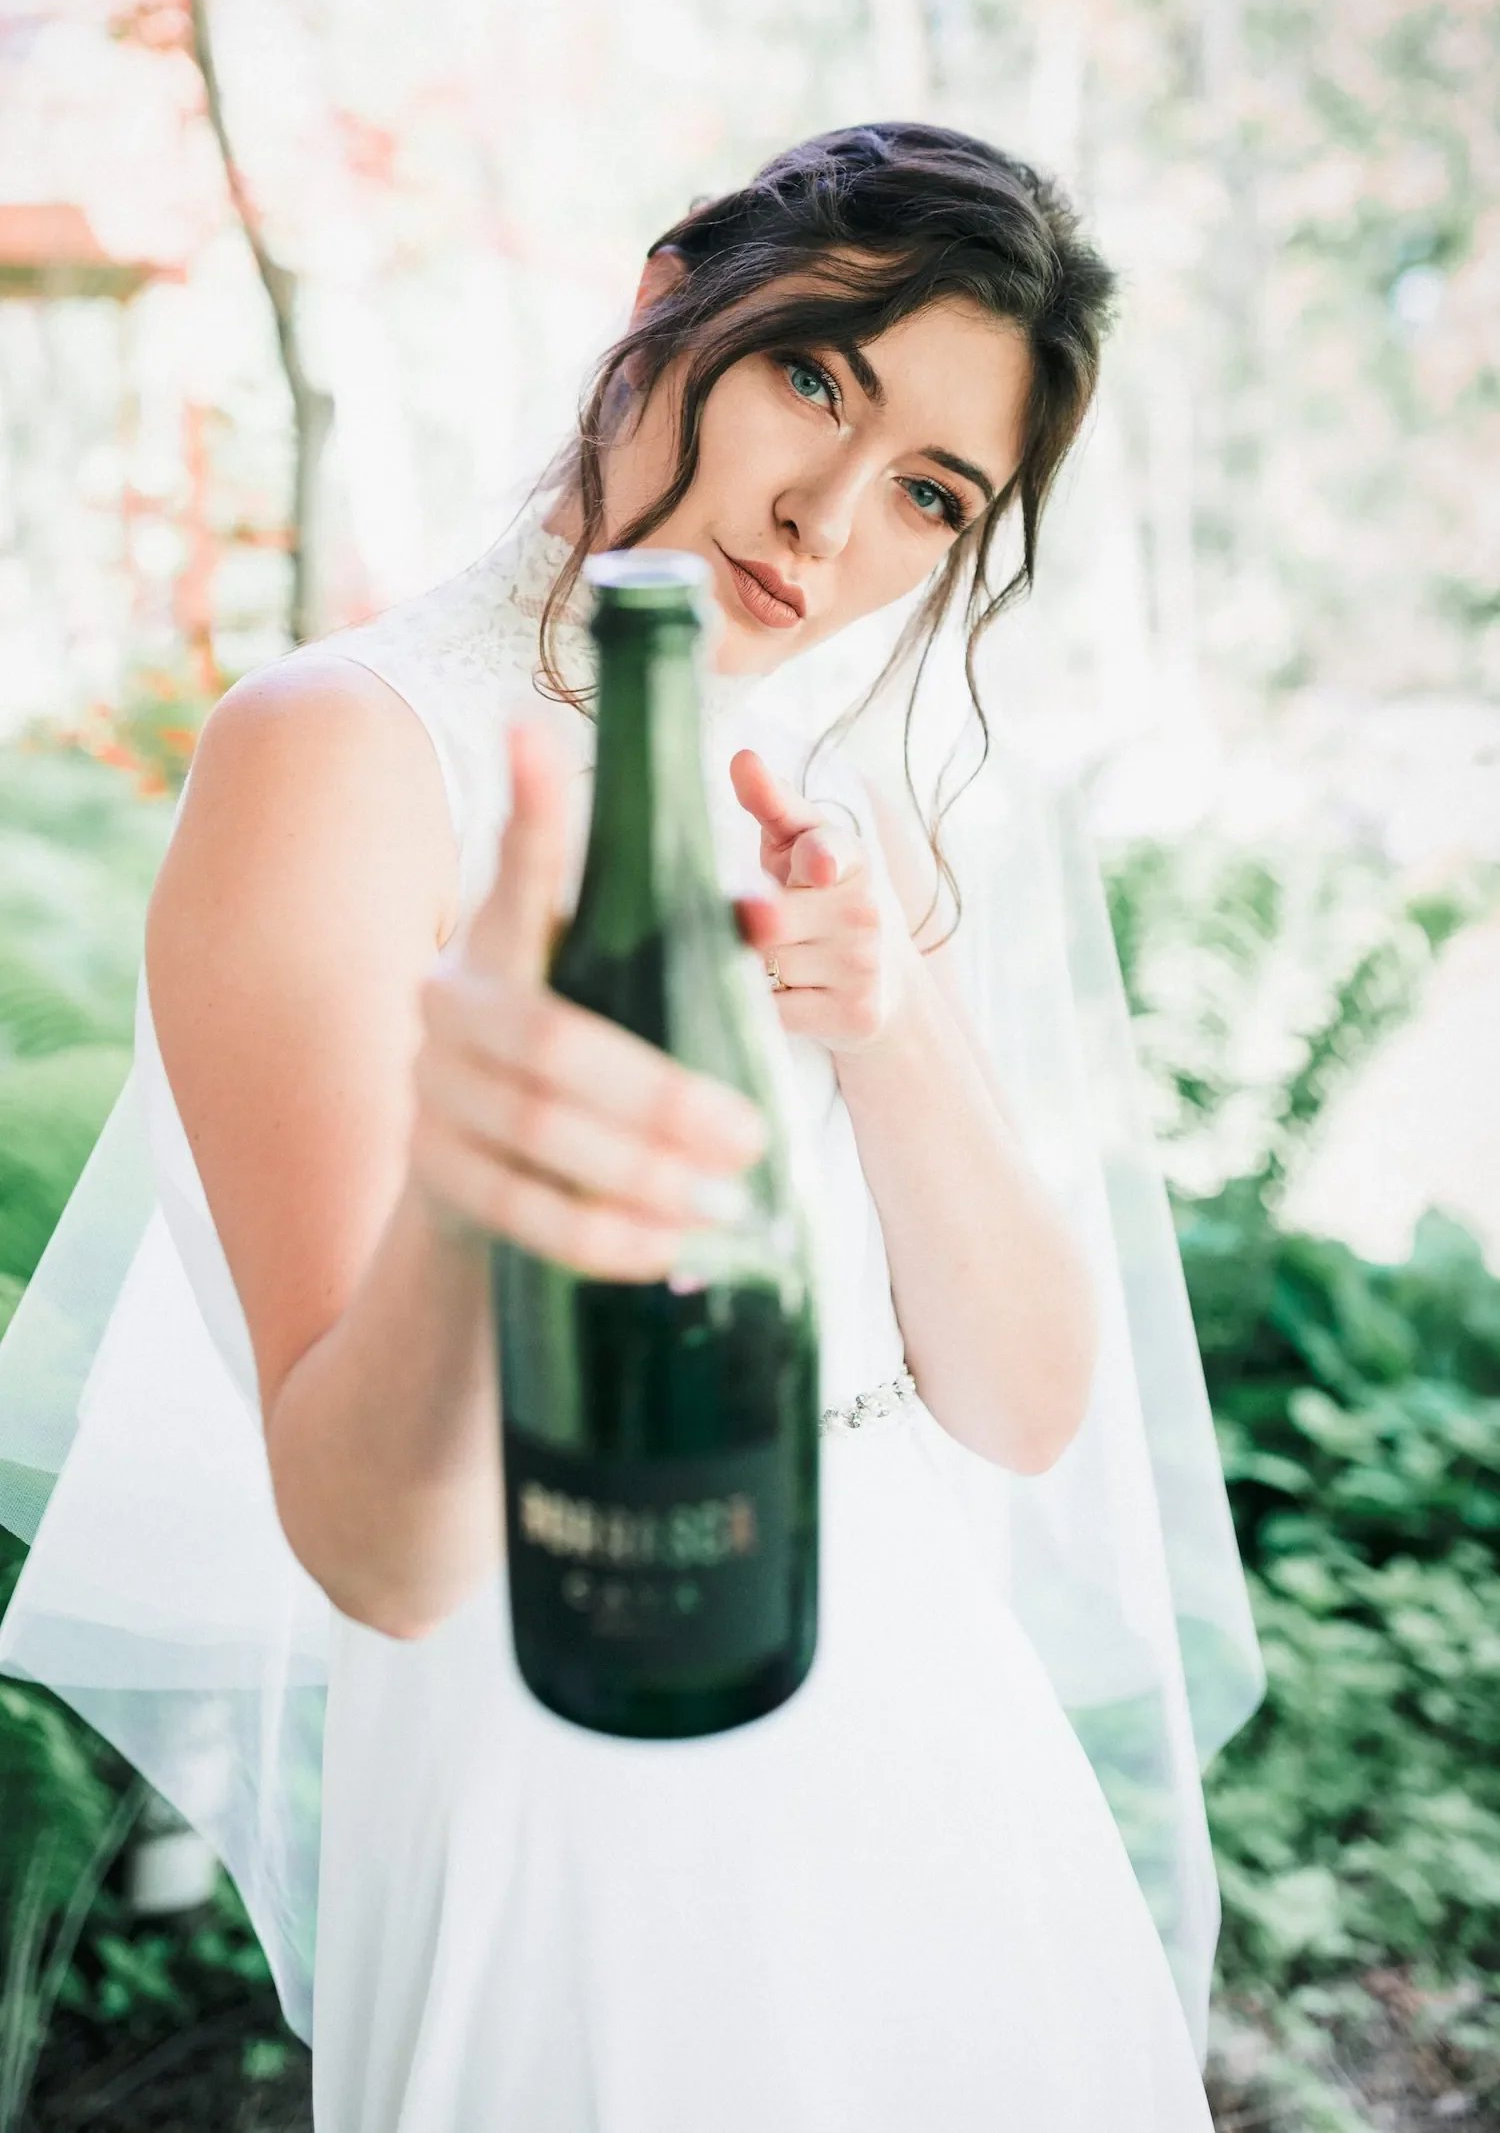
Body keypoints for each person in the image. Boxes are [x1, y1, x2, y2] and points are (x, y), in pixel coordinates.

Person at [0, 122, 1264, 2129]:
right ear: (672, 291)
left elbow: (1021, 1408)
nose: (827, 517)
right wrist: (487, 1181)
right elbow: (376, 1549)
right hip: (567, 1757)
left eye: (930, 492)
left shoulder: (847, 805)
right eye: (814, 375)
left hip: (933, 1721)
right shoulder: (342, 757)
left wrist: (890, 1017)